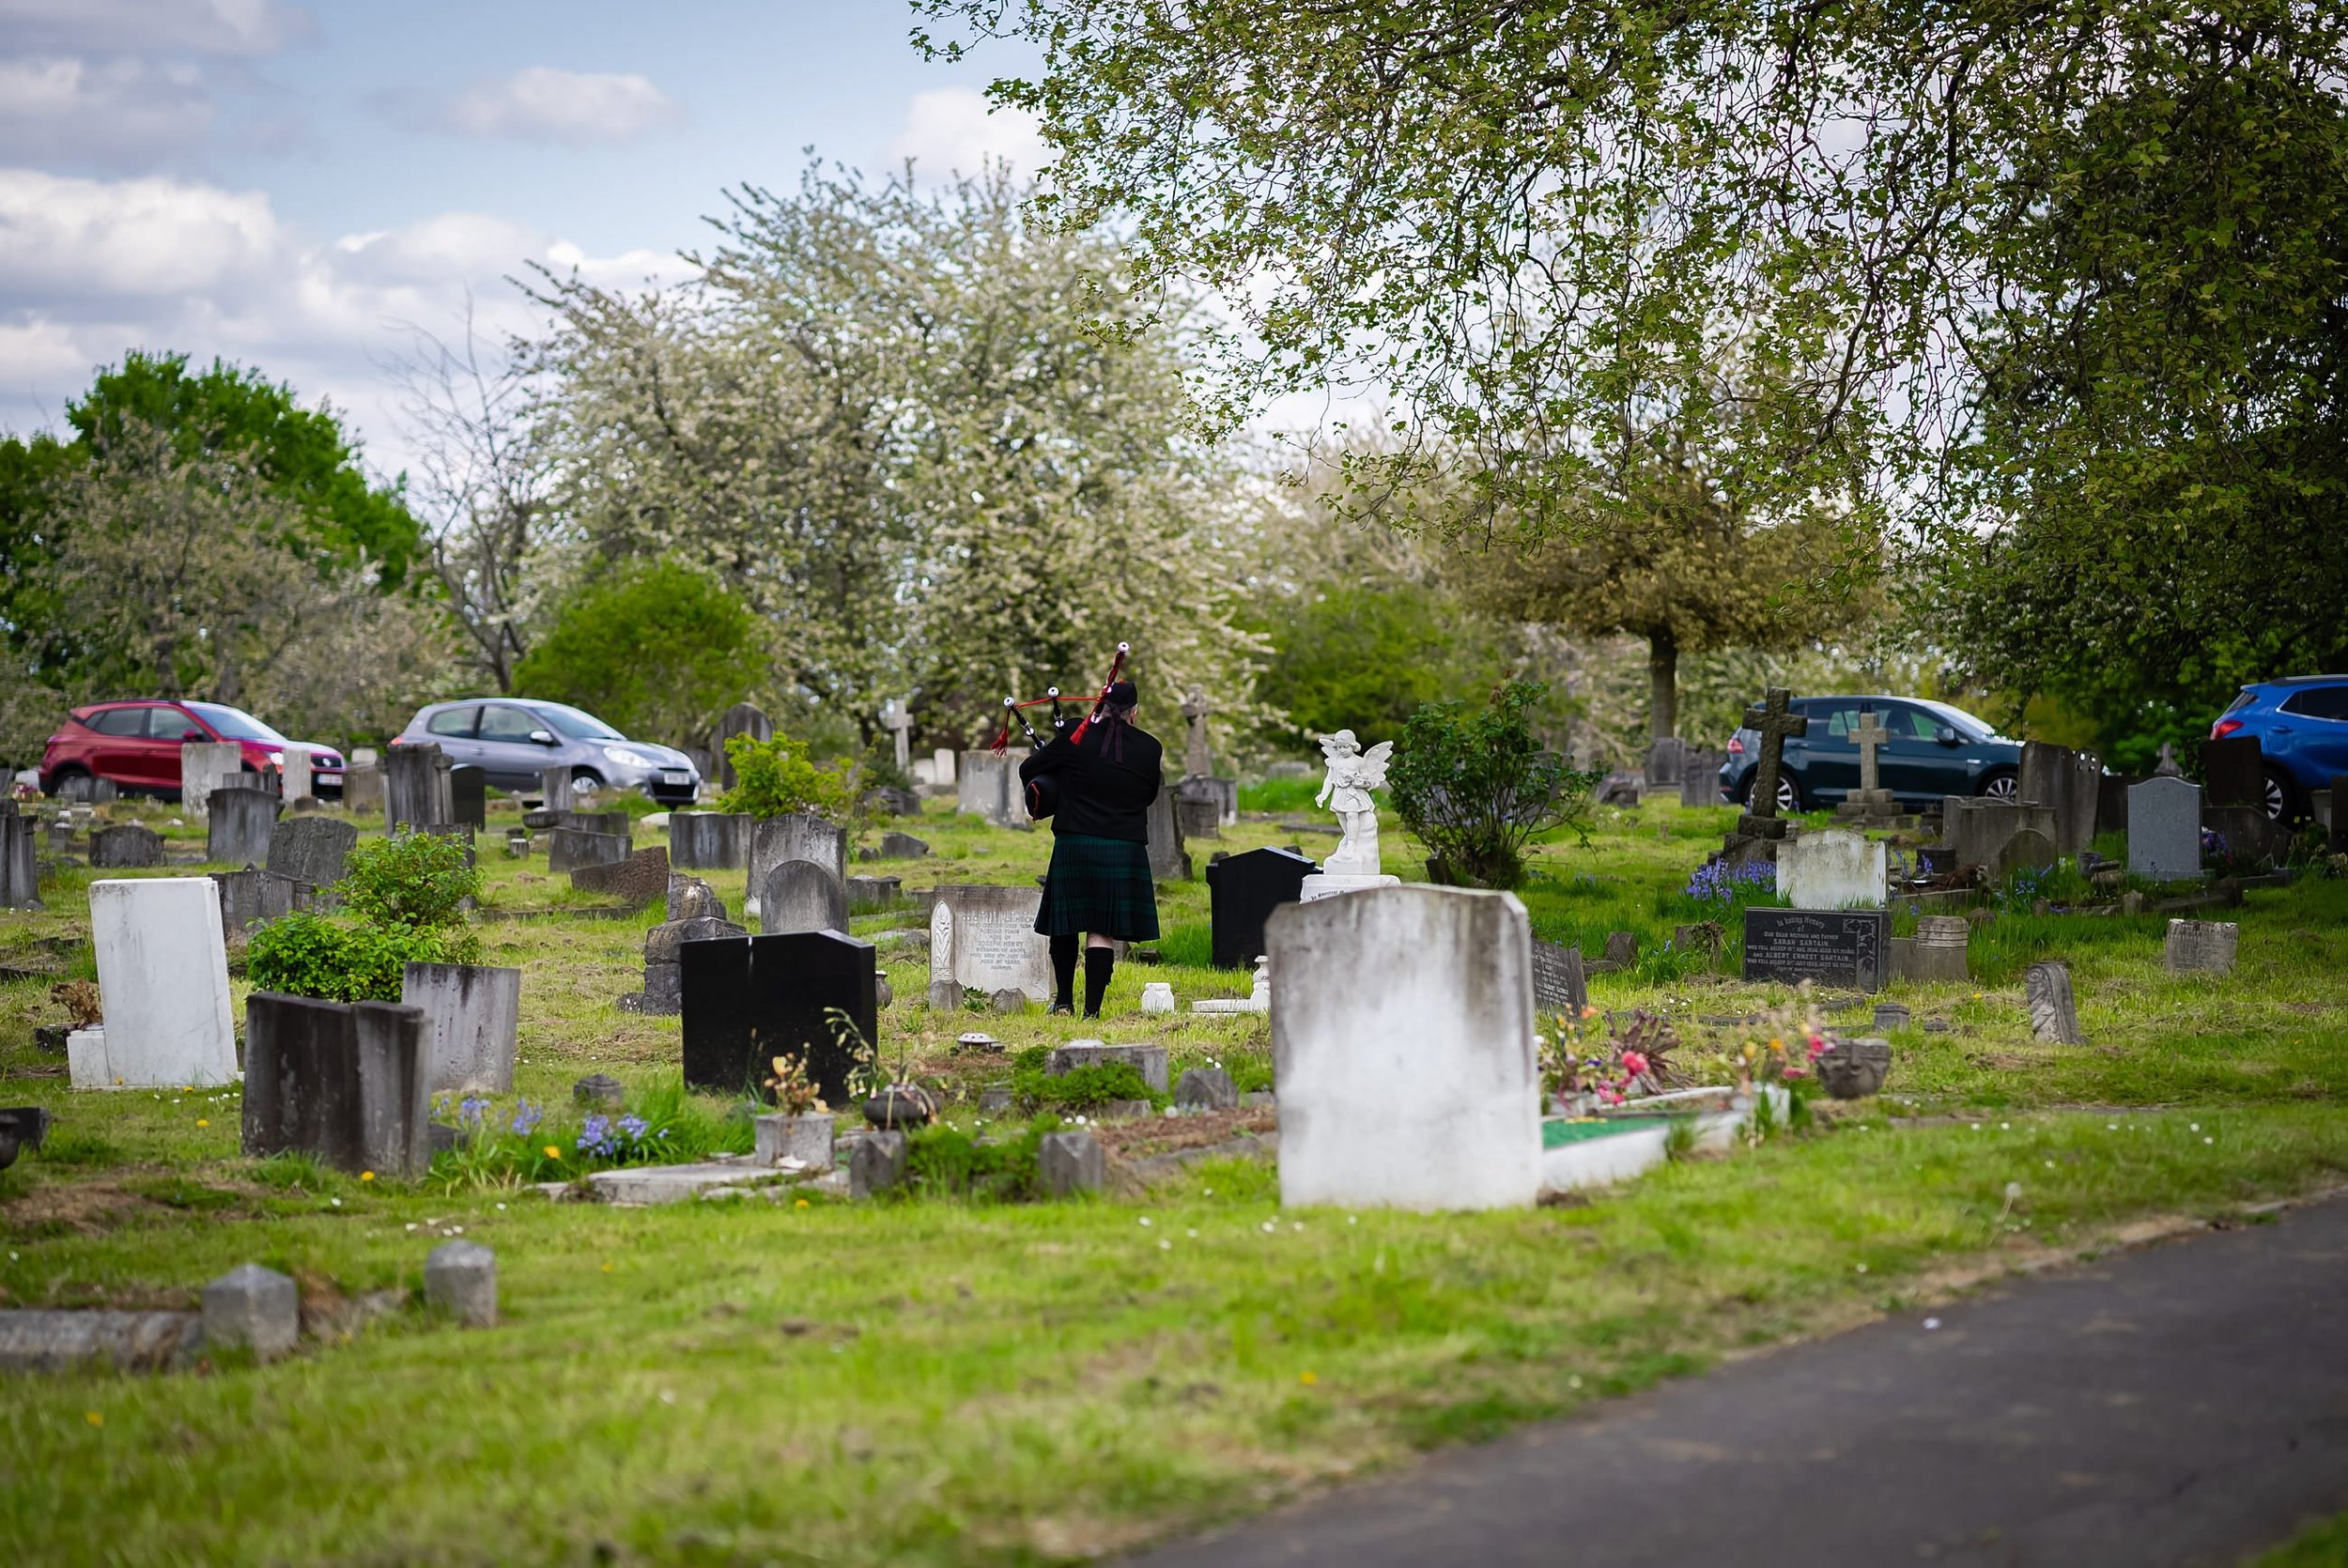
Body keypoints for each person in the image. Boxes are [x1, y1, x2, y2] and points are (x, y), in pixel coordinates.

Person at [1019, 681, 1162, 1017]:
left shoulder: (1075, 736)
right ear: (1134, 712)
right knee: (1102, 928)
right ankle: (1092, 1012)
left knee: (1066, 922)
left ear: (1101, 704)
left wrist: (1058, 779)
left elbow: (1029, 769)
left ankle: (1064, 1002)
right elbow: (1150, 795)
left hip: (1076, 841)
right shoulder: (1150, 748)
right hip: (1123, 844)